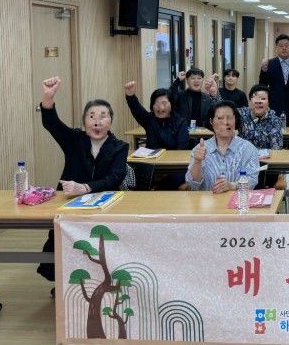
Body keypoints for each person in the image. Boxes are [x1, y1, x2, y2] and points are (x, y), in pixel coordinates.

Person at [37, 76, 129, 282]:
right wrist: (48, 98)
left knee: (100, 246)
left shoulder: (120, 146)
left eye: (103, 116)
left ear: (110, 121)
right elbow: (51, 123)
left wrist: (86, 187)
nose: (97, 121)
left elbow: (115, 177)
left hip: (105, 206)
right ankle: (67, 282)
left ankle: (98, 279)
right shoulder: (74, 140)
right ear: (84, 121)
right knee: (62, 240)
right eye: (92, 116)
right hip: (69, 203)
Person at [185, 101, 260, 192]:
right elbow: (192, 186)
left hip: (237, 199)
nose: (225, 122)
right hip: (207, 200)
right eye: (220, 118)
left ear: (235, 120)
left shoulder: (248, 149)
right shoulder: (201, 149)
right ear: (211, 121)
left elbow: (252, 180)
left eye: (230, 118)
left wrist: (232, 186)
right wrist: (197, 162)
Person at [237, 85, 285, 189]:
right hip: (244, 164)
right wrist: (214, 94)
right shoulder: (241, 115)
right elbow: (223, 111)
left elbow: (276, 148)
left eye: (263, 99)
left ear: (268, 102)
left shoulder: (275, 121)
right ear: (250, 101)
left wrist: (255, 155)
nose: (259, 102)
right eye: (256, 98)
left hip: (266, 165)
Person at [124, 81, 189, 150]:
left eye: (164, 103)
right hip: (151, 156)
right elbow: (137, 109)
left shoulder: (180, 122)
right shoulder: (149, 119)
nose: (160, 107)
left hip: (172, 156)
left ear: (171, 105)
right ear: (152, 105)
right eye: (156, 103)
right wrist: (130, 96)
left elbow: (182, 148)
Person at [259, 34, 289, 127]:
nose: (284, 48)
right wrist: (263, 70)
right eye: (281, 46)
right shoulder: (269, 64)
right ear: (276, 48)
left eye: (287, 45)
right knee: (274, 133)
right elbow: (262, 85)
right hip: (274, 107)